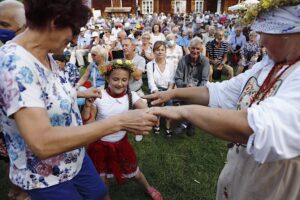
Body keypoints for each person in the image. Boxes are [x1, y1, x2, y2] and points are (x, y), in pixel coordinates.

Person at [0, 1, 157, 200]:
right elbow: (42, 143)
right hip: (45, 176)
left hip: (74, 157)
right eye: (74, 31)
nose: (75, 40)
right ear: (55, 22)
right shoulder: (14, 65)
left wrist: (79, 93)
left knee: (99, 193)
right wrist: (120, 121)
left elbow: (45, 94)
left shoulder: (43, 53)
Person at [144, 2, 300, 199]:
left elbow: (257, 127)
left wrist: (184, 111)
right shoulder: (267, 65)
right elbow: (222, 91)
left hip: (273, 180)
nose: (261, 42)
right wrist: (173, 95)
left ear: (290, 33)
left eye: (266, 32)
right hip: (241, 166)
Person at [82, 59, 163, 200]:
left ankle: (148, 187)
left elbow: (146, 110)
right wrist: (88, 106)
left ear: (129, 80)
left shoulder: (132, 96)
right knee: (102, 178)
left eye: (124, 80)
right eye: (115, 79)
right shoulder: (99, 95)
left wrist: (154, 112)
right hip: (100, 145)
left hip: (121, 143)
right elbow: (88, 124)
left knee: (134, 172)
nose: (120, 83)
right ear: (107, 78)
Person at [173, 37, 210, 136]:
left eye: (198, 49)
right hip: (185, 88)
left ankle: (185, 124)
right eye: (193, 48)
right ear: (189, 48)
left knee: (194, 99)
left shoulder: (205, 61)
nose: (195, 51)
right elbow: (177, 78)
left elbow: (205, 80)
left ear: (201, 50)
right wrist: (185, 85)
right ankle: (191, 122)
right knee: (187, 98)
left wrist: (196, 90)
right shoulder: (183, 60)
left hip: (199, 90)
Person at [147, 41, 176, 137]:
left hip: (168, 89)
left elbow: (172, 80)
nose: (160, 52)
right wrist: (158, 93)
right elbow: (151, 82)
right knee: (157, 104)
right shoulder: (150, 65)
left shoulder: (171, 64)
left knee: (169, 106)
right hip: (156, 90)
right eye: (157, 50)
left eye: (162, 50)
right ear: (154, 52)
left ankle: (168, 126)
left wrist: (168, 92)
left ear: (165, 51)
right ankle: (157, 123)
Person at [122, 37, 147, 141]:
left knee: (144, 109)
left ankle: (139, 130)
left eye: (126, 45)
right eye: (122, 45)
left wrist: (126, 63)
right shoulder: (121, 59)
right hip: (122, 91)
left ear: (133, 47)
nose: (124, 48)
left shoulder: (140, 59)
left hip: (135, 91)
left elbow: (137, 76)